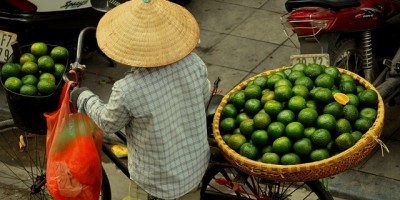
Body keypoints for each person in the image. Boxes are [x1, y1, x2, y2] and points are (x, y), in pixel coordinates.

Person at [70, 0, 211, 199]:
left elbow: (109, 123)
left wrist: (83, 98)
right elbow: (204, 95)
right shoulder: (194, 64)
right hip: (194, 170)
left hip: (156, 184)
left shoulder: (129, 89)